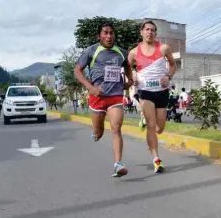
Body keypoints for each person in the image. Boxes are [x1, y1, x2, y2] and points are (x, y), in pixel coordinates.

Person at [74, 22, 133, 177]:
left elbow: (128, 64)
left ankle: (118, 163)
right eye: (105, 33)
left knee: (116, 128)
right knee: (99, 132)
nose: (109, 36)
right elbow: (77, 70)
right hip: (97, 97)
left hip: (115, 96)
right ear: (99, 35)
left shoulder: (121, 52)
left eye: (111, 33)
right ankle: (96, 132)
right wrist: (90, 87)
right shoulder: (91, 51)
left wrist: (130, 80)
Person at [128, 21, 176, 173]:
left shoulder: (164, 48)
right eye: (147, 29)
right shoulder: (134, 52)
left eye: (153, 30)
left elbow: (174, 65)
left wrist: (168, 76)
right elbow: (127, 69)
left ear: (156, 33)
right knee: (151, 125)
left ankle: (145, 117)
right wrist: (133, 77)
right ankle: (156, 158)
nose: (150, 32)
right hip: (145, 91)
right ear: (141, 32)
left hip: (161, 91)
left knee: (159, 128)